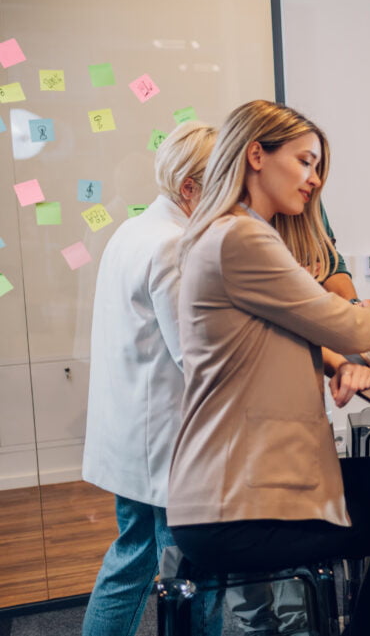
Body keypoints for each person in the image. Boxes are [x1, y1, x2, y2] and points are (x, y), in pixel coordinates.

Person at [167, 100, 370, 636]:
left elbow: (299, 326)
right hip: (237, 503)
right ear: (256, 154)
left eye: (317, 166)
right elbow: (343, 324)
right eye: (305, 162)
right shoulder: (243, 236)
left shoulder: (226, 231)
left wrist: (342, 354)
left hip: (231, 488)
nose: (314, 180)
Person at [81, 121, 220, 636]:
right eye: (221, 181)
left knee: (133, 561)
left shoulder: (133, 229)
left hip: (134, 438)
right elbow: (195, 355)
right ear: (190, 188)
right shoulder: (171, 246)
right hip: (165, 442)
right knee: (186, 575)